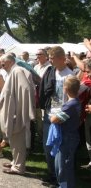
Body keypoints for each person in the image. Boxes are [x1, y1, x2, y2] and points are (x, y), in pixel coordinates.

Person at [39, 46, 74, 185]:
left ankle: (61, 178)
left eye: (53, 58)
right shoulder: (51, 72)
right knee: (47, 147)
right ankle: (52, 174)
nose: (51, 61)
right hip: (49, 114)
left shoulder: (69, 75)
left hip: (62, 118)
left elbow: (72, 99)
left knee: (60, 149)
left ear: (61, 58)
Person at [0, 53, 36, 175]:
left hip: (16, 113)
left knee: (18, 140)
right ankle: (15, 162)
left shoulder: (18, 71)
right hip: (13, 112)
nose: (1, 65)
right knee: (14, 139)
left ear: (9, 62)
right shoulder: (13, 71)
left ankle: (19, 167)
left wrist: (20, 111)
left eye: (2, 63)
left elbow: (26, 89)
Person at [49, 76, 81, 188]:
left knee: (63, 167)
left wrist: (52, 116)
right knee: (61, 165)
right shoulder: (75, 102)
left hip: (68, 139)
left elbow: (54, 120)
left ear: (65, 89)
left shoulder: (70, 105)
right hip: (68, 138)